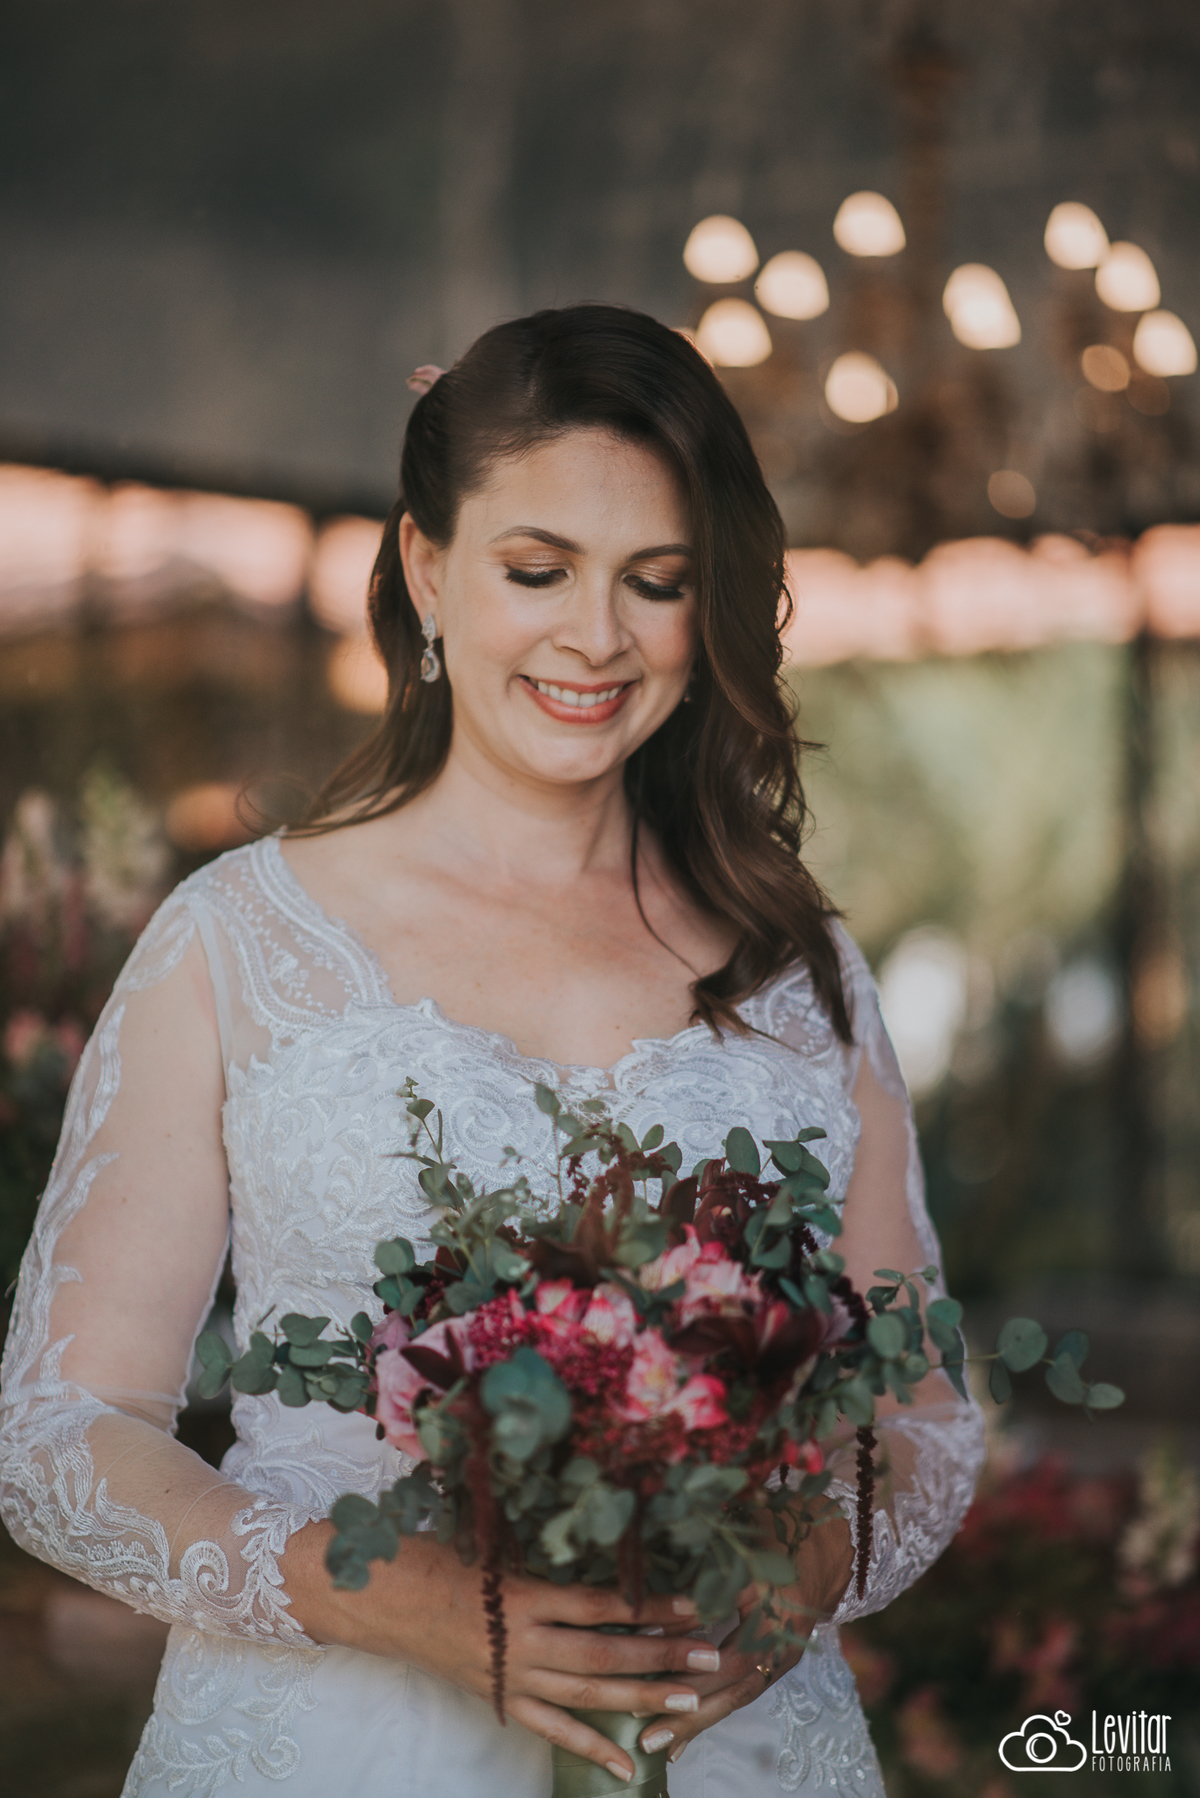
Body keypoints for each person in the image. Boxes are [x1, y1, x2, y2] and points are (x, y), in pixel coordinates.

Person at [0, 305, 984, 1796]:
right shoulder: (236, 942)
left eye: (657, 582)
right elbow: (63, 1434)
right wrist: (386, 1594)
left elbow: (923, 1413)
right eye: (539, 570)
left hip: (735, 1746)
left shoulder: (799, 965)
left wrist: (811, 1558)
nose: (597, 636)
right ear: (427, 566)